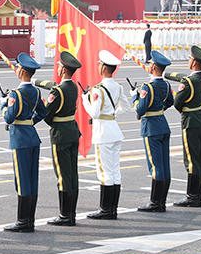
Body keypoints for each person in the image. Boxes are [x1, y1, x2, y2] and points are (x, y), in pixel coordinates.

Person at [81, 49, 132, 220]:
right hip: (114, 130)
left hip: (103, 133)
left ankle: (105, 210)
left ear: (103, 68)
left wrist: (84, 101)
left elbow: (94, 113)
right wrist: (111, 115)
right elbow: (127, 108)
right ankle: (112, 209)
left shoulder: (98, 90)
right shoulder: (118, 86)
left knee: (104, 172)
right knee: (115, 171)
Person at [33, 51, 82, 226]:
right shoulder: (73, 87)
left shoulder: (58, 91)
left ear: (63, 70)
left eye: (59, 66)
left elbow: (47, 115)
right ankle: (72, 214)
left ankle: (64, 216)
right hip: (72, 131)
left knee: (62, 175)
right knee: (72, 174)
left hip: (60, 134)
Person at [2, 53, 46, 232]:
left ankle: (22, 222)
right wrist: (30, 122)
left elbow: (9, 118)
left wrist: (4, 104)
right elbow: (42, 112)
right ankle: (30, 220)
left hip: (20, 139)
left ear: (21, 71)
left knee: (22, 180)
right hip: (32, 136)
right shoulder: (36, 91)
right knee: (32, 178)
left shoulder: (16, 94)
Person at [133, 50, 175, 213]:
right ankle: (161, 201)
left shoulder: (148, 87)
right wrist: (159, 108)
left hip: (151, 127)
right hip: (163, 124)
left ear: (154, 67)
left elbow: (140, 110)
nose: (149, 66)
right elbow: (170, 101)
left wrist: (135, 98)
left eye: (150, 64)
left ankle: (155, 203)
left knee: (155, 166)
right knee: (164, 164)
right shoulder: (166, 84)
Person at [173, 45, 201, 207]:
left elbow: (177, 103)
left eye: (189, 59)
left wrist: (184, 110)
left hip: (191, 122)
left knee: (191, 160)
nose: (188, 60)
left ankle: (192, 197)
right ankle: (198, 196)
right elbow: (183, 77)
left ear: (194, 62)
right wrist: (166, 73)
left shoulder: (188, 82)